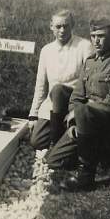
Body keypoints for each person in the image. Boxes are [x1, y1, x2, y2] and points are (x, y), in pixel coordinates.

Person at [45, 18, 110, 191]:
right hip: (84, 122)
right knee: (53, 161)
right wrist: (75, 121)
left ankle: (86, 176)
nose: (96, 40)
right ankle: (90, 152)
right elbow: (76, 96)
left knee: (85, 110)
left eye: (101, 36)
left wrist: (81, 113)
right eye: (93, 36)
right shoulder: (90, 62)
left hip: (109, 127)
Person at [28, 10, 93, 150]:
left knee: (58, 89)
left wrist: (80, 110)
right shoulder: (46, 50)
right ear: (51, 26)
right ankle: (62, 136)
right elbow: (40, 85)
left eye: (66, 26)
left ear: (73, 25)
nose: (62, 30)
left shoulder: (84, 46)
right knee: (36, 142)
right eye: (58, 26)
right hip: (52, 106)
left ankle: (58, 141)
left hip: (75, 102)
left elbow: (90, 81)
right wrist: (33, 115)